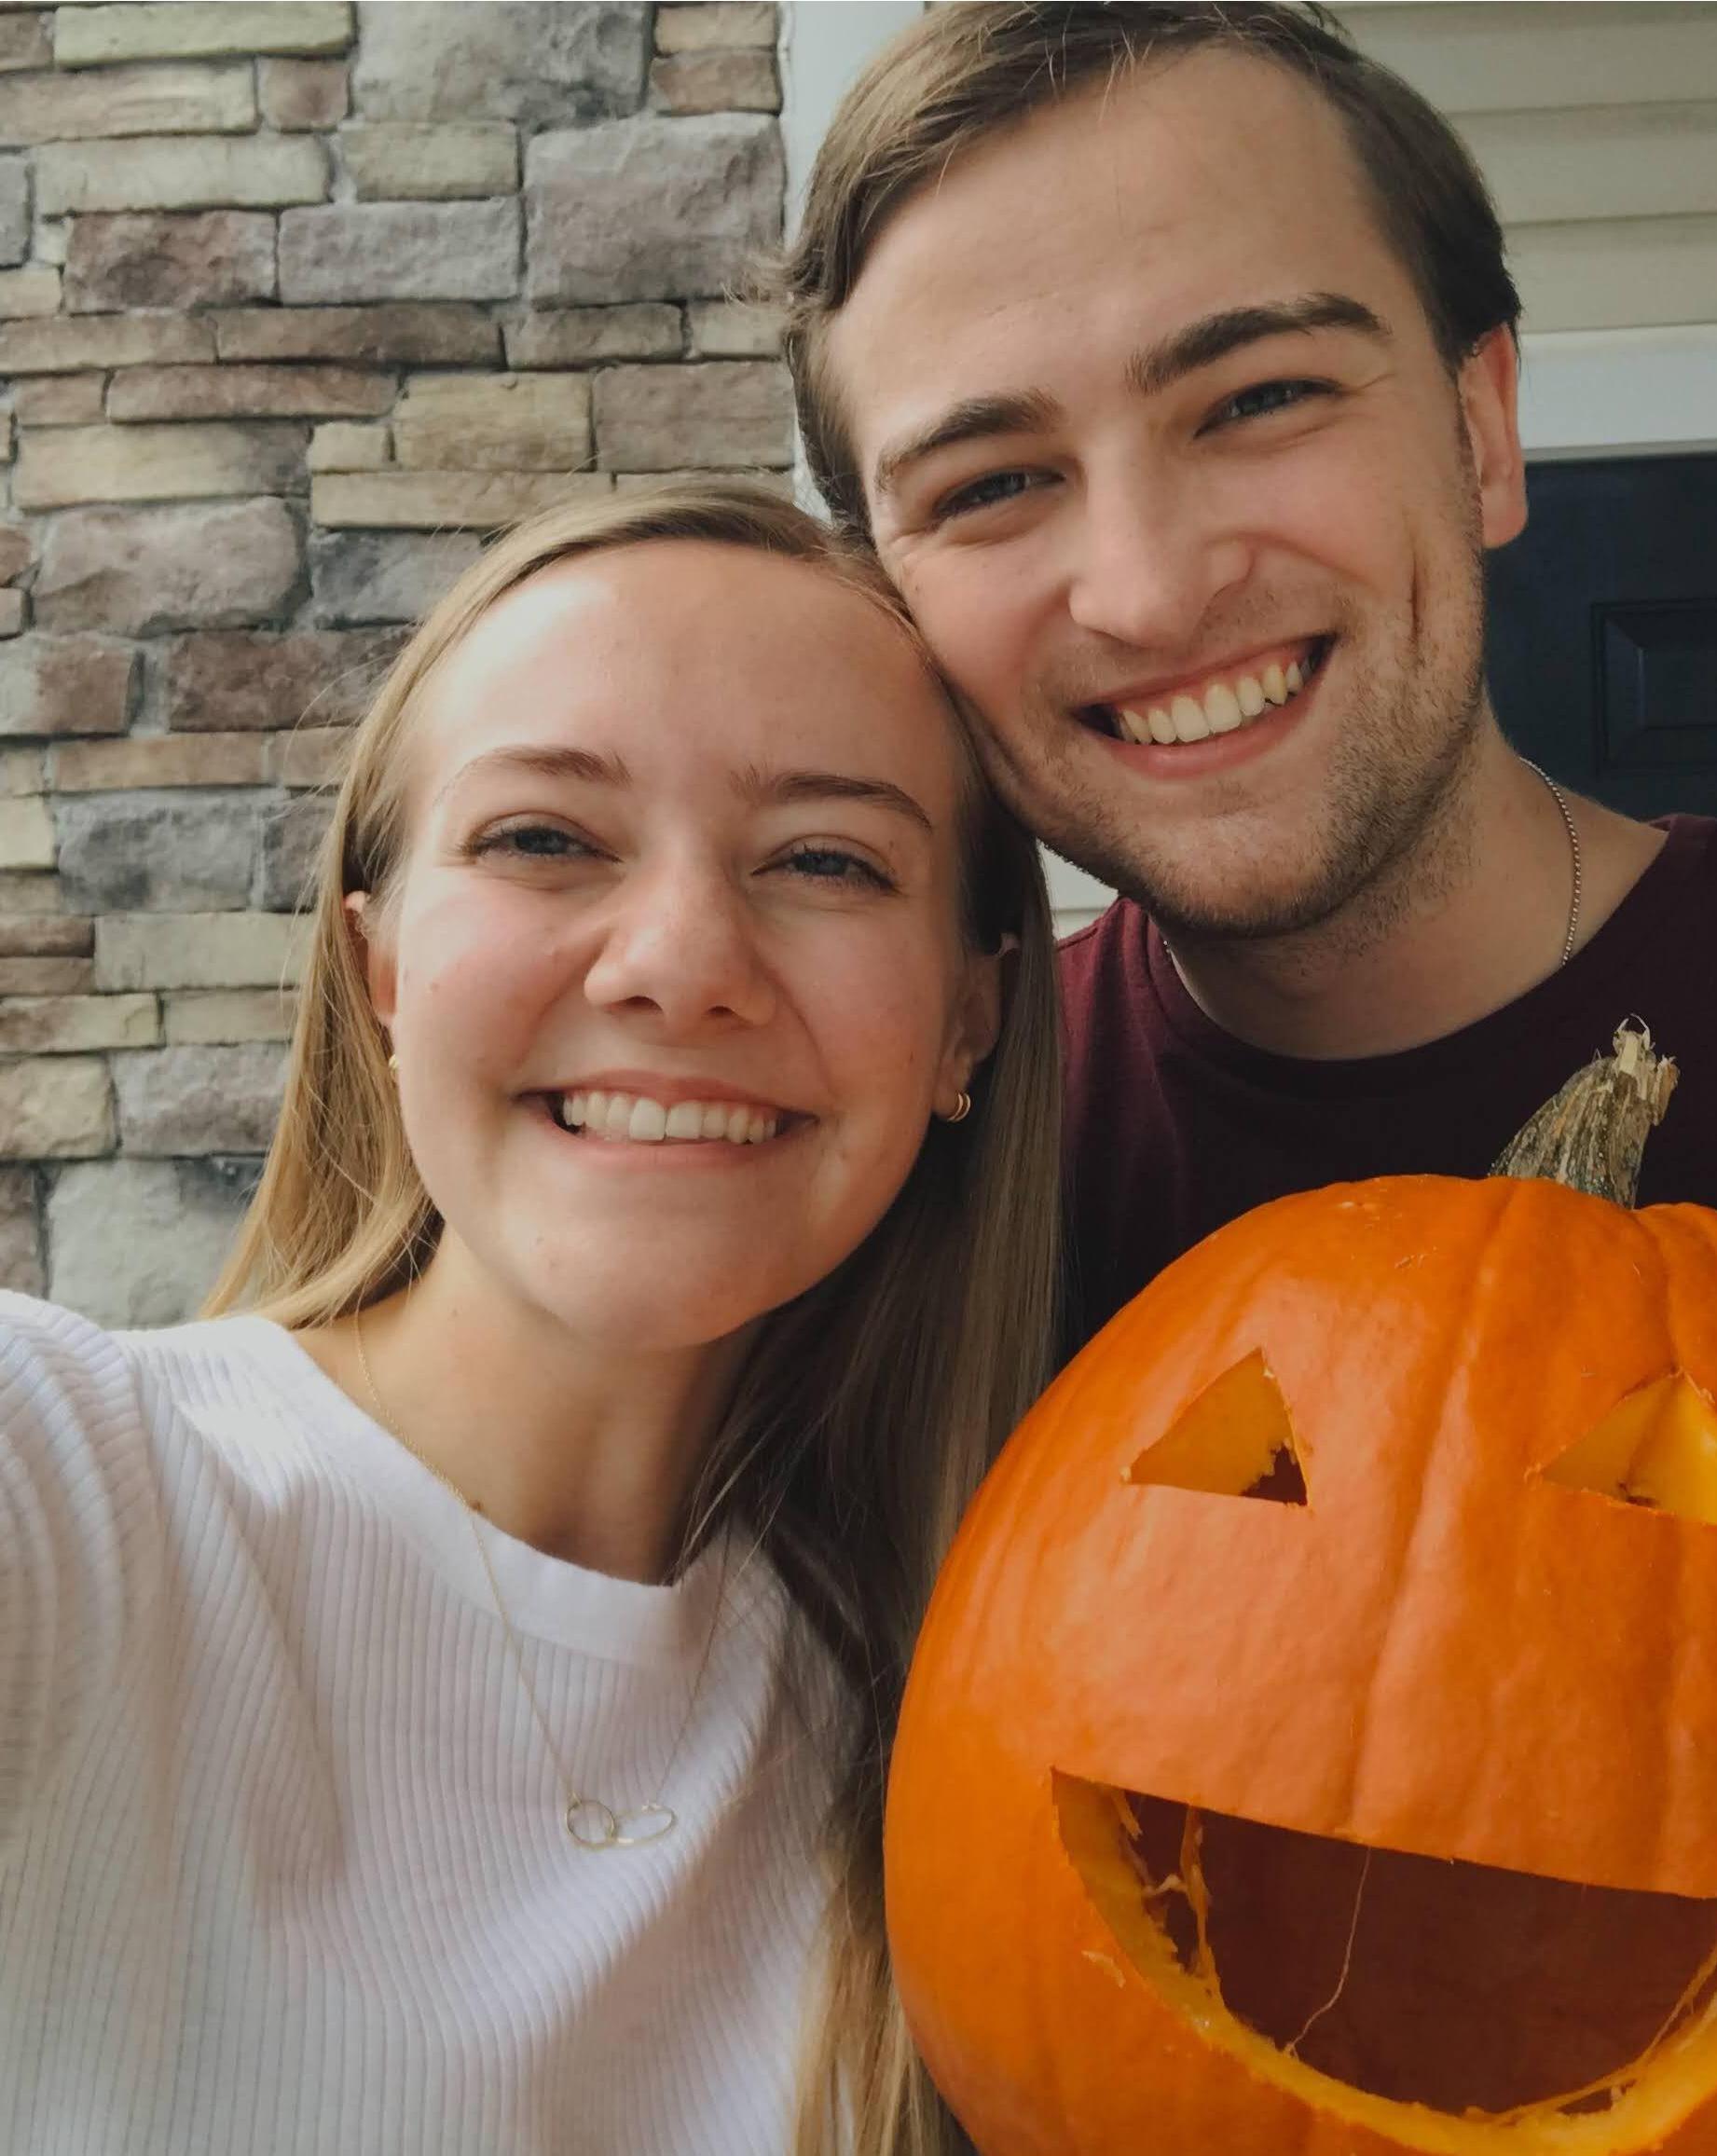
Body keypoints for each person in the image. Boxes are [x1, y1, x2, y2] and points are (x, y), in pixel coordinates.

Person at [776, 4, 1717, 2144]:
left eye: (1254, 397)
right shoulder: (903, 1187)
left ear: (1482, 426)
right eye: (990, 483)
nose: (1146, 581)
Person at [0, 480, 1055, 2156]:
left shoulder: (999, 1745)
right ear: (382, 970)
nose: (680, 961)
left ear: (966, 1019)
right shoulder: (65, 1486)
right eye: (544, 838)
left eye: (827, 859)